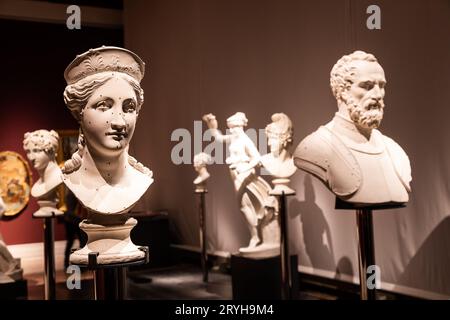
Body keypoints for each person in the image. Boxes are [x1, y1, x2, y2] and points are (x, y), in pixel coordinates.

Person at [62, 46, 153, 264]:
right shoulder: (72, 179)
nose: (120, 122)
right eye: (104, 106)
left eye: (129, 108)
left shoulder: (142, 180)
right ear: (79, 113)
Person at [294, 50, 412, 207]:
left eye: (381, 86)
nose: (378, 94)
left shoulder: (395, 151)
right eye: (367, 86)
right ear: (342, 91)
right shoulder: (315, 147)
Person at [203, 112, 276, 252]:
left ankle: (255, 237)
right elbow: (218, 138)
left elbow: (257, 158)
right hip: (236, 174)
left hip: (244, 174)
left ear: (241, 126)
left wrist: (243, 168)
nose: (231, 130)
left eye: (233, 127)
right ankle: (256, 236)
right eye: (230, 127)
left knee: (244, 206)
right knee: (245, 206)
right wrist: (211, 124)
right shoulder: (234, 138)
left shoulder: (245, 140)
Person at [23, 129, 63, 217]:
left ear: (51, 151)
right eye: (29, 152)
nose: (31, 157)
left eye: (37, 151)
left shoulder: (60, 177)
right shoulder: (37, 185)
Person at [260, 113, 297, 195]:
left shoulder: (294, 162)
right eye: (268, 139)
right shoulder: (264, 160)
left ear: (284, 138)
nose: (269, 143)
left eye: (272, 138)